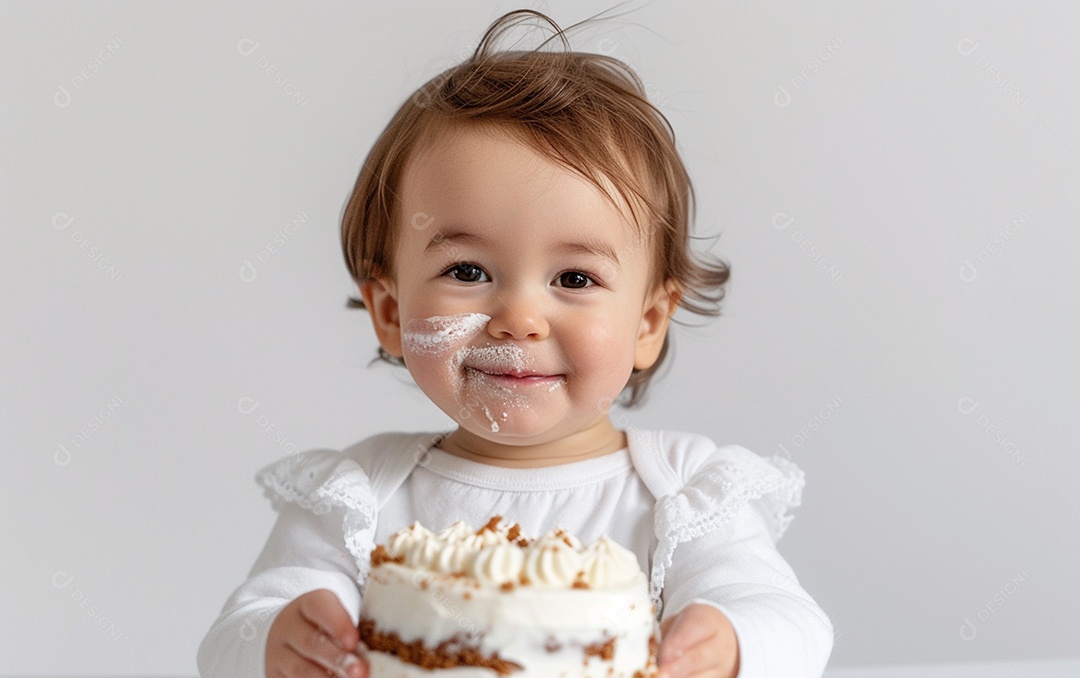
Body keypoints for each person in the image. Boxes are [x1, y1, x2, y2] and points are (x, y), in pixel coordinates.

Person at [198, 8, 833, 678]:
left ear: (648, 322)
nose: (519, 318)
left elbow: (786, 618)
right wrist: (277, 640)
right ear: (389, 309)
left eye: (574, 277)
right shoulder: (360, 498)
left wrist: (733, 641)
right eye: (468, 272)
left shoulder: (683, 494)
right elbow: (234, 636)